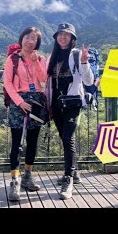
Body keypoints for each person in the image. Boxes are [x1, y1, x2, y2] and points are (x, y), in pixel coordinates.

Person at [46, 23, 93, 200]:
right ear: (56, 38)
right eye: (60, 34)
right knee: (66, 138)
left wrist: (84, 62)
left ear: (72, 38)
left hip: (72, 104)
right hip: (57, 104)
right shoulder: (53, 56)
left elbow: (88, 80)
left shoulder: (76, 55)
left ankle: (68, 178)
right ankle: (75, 172)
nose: (63, 37)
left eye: (67, 34)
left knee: (67, 137)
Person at [3, 27, 47, 201]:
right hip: (18, 102)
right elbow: (7, 82)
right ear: (22, 39)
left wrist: (36, 62)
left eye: (34, 39)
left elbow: (43, 80)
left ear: (37, 42)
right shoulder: (12, 59)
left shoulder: (41, 58)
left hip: (36, 101)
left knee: (32, 140)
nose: (30, 41)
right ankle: (15, 179)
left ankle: (28, 175)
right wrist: (19, 102)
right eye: (28, 37)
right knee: (17, 142)